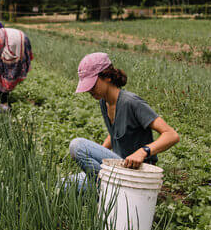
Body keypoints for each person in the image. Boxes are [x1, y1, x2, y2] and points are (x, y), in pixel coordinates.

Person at [68, 52, 179, 186]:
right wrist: (98, 152)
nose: (89, 90)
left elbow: (172, 135)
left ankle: (104, 188)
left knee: (77, 146)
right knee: (64, 185)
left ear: (107, 77)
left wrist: (143, 152)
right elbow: (115, 133)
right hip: (119, 167)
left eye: (92, 84)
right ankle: (103, 187)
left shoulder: (131, 102)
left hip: (136, 172)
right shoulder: (104, 102)